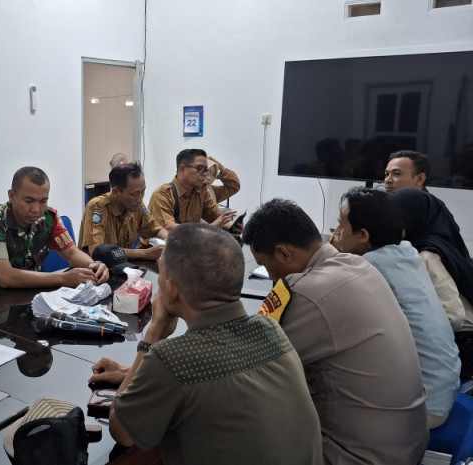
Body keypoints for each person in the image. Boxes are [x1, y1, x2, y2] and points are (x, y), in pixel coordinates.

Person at [88, 224, 322, 464]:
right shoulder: (270, 329)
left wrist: (153, 335)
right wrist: (136, 373)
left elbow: (121, 430)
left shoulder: (172, 359)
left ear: (171, 290)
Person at [242, 198, 428, 464]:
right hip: (406, 444)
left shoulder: (305, 292)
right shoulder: (359, 265)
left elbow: (249, 365)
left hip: (358, 456)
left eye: (265, 264)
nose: (270, 276)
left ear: (284, 254)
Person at [331, 187, 460, 428]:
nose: (336, 232)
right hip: (444, 389)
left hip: (423, 406)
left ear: (363, 235)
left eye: (340, 225)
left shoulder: (367, 267)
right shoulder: (407, 252)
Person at [0, 166, 109, 296]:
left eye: (43, 201)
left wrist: (94, 266)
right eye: (29, 201)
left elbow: (72, 253)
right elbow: (6, 277)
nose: (36, 209)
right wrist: (63, 278)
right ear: (12, 196)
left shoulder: (48, 218)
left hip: (31, 294)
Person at [391, 187, 473, 378]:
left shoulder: (428, 254)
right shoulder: (441, 243)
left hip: (463, 344)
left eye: (399, 218)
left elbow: (453, 316)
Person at [79, 162, 167, 261]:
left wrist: (169, 242)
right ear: (116, 192)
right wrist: (143, 253)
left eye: (142, 192)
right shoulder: (97, 207)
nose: (140, 199)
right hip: (96, 267)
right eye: (134, 194)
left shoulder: (137, 206)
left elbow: (156, 229)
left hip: (122, 264)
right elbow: (96, 251)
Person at [148, 149, 235, 231]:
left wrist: (234, 227)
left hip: (190, 240)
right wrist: (210, 228)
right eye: (200, 169)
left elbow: (217, 217)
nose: (204, 174)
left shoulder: (201, 191)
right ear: (182, 169)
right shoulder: (163, 195)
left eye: (206, 170)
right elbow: (168, 228)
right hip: (165, 242)